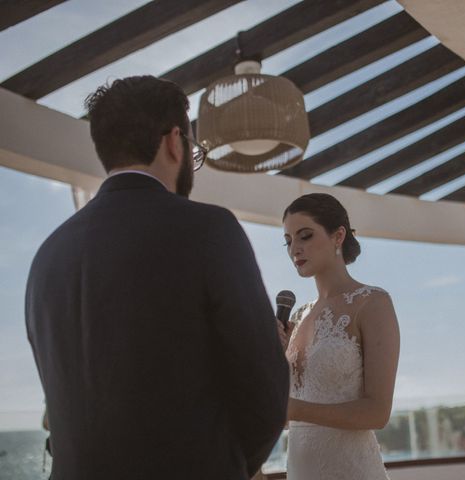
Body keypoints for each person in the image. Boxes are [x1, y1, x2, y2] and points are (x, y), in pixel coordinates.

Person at [25, 75, 289, 480]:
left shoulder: (47, 255)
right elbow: (266, 394)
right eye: (192, 148)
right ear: (173, 141)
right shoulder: (208, 229)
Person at [279, 193, 400, 480]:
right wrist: (276, 353)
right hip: (299, 470)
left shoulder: (372, 303)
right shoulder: (297, 317)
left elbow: (377, 413)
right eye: (288, 241)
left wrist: (295, 409)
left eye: (305, 236)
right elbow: (282, 414)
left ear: (338, 236)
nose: (295, 248)